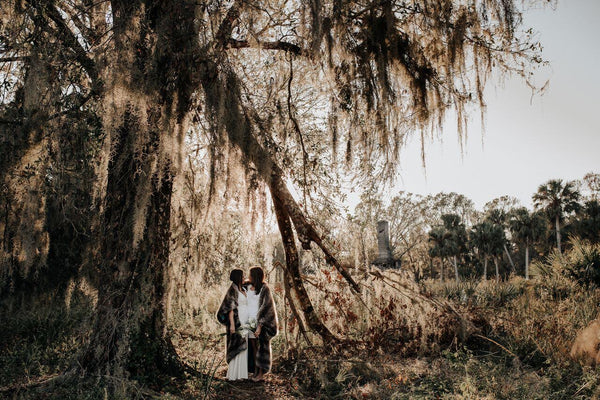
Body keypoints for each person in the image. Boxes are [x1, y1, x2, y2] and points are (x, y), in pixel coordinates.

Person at [217, 269, 249, 380]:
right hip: (236, 321)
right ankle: (234, 375)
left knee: (244, 347)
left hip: (245, 321)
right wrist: (231, 325)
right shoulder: (232, 290)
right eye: (243, 276)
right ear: (238, 277)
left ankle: (242, 374)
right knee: (236, 345)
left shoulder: (243, 289)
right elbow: (230, 309)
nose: (244, 277)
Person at [247, 266, 278, 381]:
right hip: (250, 321)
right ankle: (255, 371)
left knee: (261, 348)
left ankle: (260, 373)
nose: (248, 276)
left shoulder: (265, 289)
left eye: (250, 274)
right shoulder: (248, 286)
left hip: (262, 323)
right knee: (253, 347)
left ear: (254, 276)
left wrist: (259, 326)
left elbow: (267, 308)